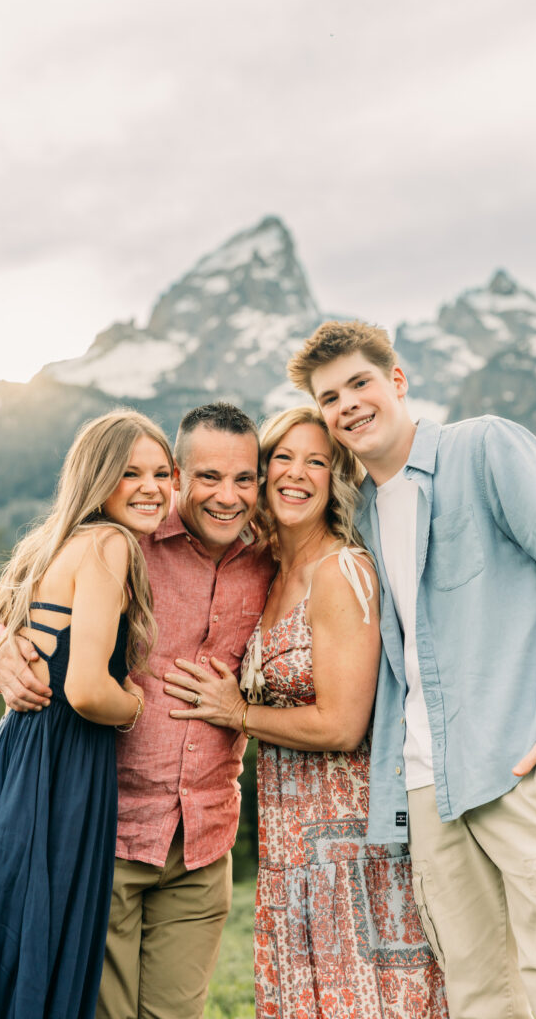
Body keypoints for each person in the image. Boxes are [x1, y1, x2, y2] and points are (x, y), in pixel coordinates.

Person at [284, 320, 536, 1017]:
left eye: (358, 383)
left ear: (396, 381)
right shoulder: (370, 514)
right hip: (431, 792)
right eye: (328, 398)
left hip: (522, 763)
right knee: (479, 999)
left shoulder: (484, 446)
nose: (345, 404)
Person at [0, 402, 276, 1019]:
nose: (227, 496)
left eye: (244, 479)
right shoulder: (125, 538)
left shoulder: (268, 559)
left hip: (202, 840)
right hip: (105, 830)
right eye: (207, 477)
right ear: (181, 474)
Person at [165, 405, 448, 1019]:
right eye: (283, 460)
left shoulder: (341, 571)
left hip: (350, 844)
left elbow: (343, 725)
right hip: (289, 841)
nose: (297, 474)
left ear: (335, 476)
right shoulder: (266, 567)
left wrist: (237, 713)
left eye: (316, 461)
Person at [0, 409, 173, 1019]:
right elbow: (89, 691)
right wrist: (137, 703)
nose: (152, 486)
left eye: (162, 472)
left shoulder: (55, 542)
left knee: (0, 971)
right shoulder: (110, 544)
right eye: (130, 473)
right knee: (36, 972)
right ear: (98, 479)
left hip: (9, 773)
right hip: (54, 777)